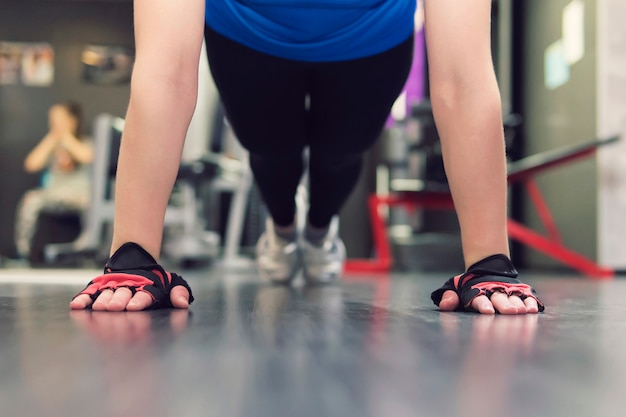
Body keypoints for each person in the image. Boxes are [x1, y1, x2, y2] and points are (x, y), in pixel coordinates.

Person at [70, 0, 544, 314]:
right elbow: (165, 74)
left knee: (341, 155)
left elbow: (463, 82)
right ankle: (282, 231)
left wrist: (488, 264)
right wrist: (133, 258)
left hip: (370, 37)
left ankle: (318, 233)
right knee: (271, 152)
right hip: (247, 35)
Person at [15, 101, 93, 261]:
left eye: (59, 119)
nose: (54, 123)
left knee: (92, 203)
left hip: (79, 196)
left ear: (72, 121)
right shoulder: (52, 145)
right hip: (54, 195)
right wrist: (51, 139)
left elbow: (88, 157)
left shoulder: (85, 142)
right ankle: (23, 252)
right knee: (31, 199)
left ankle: (87, 248)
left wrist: (66, 137)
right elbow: (31, 164)